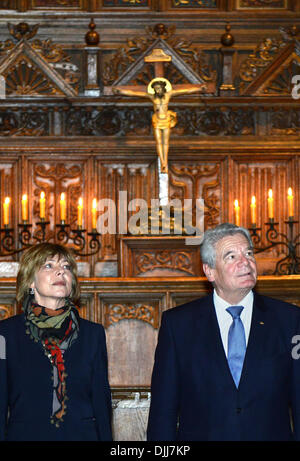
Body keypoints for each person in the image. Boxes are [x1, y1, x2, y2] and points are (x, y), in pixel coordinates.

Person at [147, 223, 300, 441]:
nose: (245, 262)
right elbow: (163, 411)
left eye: (248, 253)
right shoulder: (178, 325)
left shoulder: (290, 320)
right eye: (231, 256)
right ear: (209, 271)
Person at [0, 242, 112, 441]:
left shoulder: (93, 334)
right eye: (49, 266)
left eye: (66, 267)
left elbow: (101, 405)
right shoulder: (5, 334)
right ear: (30, 282)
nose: (61, 272)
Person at [113, 78, 204, 174]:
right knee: (159, 142)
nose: (157, 90)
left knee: (166, 142)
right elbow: (134, 93)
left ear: (163, 88)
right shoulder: (152, 96)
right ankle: (162, 161)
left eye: (159, 88)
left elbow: (185, 91)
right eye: (156, 88)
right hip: (157, 120)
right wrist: (121, 91)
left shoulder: (168, 94)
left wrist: (199, 89)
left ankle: (165, 162)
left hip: (166, 120)